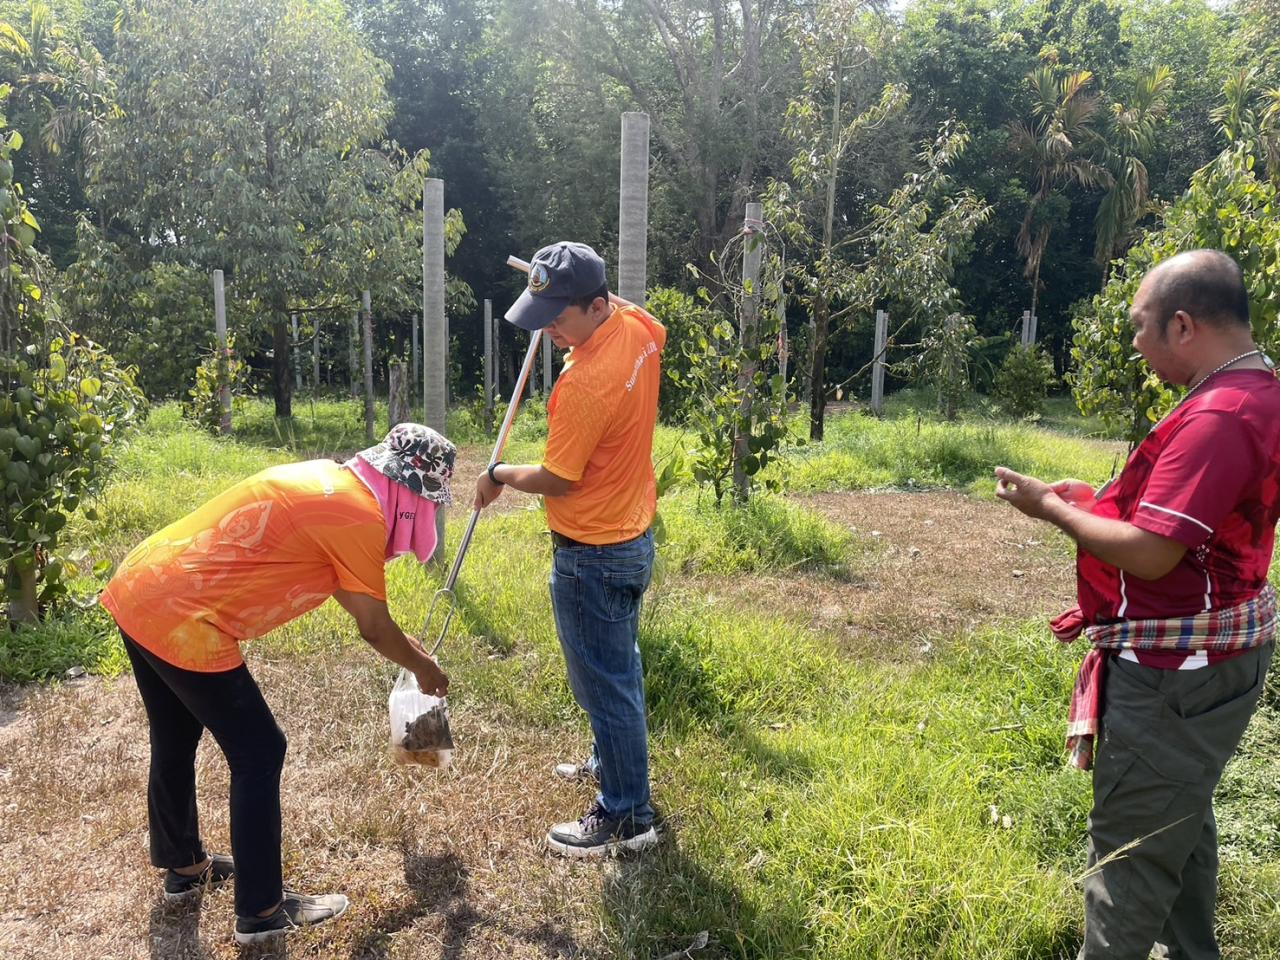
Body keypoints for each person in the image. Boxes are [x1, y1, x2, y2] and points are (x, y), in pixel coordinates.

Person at [994, 250, 1279, 960]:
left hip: (1174, 671)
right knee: (1177, 820)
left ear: (1183, 326)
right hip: (1212, 653)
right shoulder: (1254, 391)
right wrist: (1088, 502)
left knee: (1130, 853)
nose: (1133, 344)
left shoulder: (1219, 415)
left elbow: (1154, 553)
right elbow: (1190, 523)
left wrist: (1051, 514)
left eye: (1138, 327)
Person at [101, 423, 454, 944]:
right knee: (261, 750)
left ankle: (184, 867)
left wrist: (411, 652)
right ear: (410, 494)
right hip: (185, 617)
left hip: (142, 585)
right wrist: (425, 669)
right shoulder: (359, 514)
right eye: (429, 506)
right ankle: (262, 909)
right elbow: (373, 626)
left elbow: (343, 584)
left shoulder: (334, 482)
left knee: (175, 735)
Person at [473, 240, 666, 857]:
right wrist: (554, 283)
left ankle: (628, 815)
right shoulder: (637, 328)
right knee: (616, 670)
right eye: (542, 313)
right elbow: (637, 315)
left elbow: (558, 479)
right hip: (632, 535)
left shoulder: (586, 380)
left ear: (597, 304)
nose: (550, 328)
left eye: (559, 316)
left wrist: (499, 473)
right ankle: (609, 759)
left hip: (592, 553)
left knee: (605, 683)